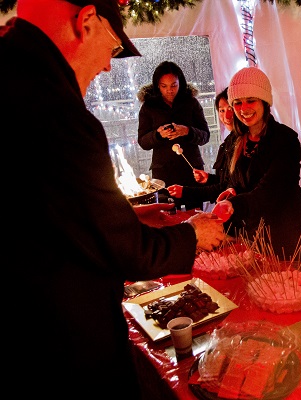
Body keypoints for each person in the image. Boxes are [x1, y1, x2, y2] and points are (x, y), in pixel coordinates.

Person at [1, 1, 225, 398]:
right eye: (113, 47)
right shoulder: (55, 110)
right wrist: (191, 234)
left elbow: (62, 211)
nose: (108, 65)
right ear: (86, 22)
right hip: (61, 341)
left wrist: (131, 216)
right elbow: (125, 252)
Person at [210, 67, 301, 259]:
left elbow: (270, 192)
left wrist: (234, 205)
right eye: (237, 103)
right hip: (249, 237)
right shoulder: (234, 140)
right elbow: (238, 183)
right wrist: (232, 191)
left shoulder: (285, 139)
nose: (243, 109)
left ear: (264, 101)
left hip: (285, 239)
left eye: (250, 101)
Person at [137, 60, 211, 209]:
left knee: (196, 214)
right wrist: (158, 135)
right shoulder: (149, 106)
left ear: (180, 83)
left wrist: (188, 131)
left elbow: (205, 136)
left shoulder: (191, 102)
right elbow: (143, 142)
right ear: (157, 85)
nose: (169, 90)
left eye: (173, 85)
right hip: (164, 170)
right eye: (164, 86)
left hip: (191, 168)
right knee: (168, 215)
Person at [167, 87, 234, 206]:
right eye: (221, 110)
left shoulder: (243, 143)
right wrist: (209, 178)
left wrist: (187, 192)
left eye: (230, 108)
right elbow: (226, 181)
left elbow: (230, 187)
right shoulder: (228, 142)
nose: (227, 116)